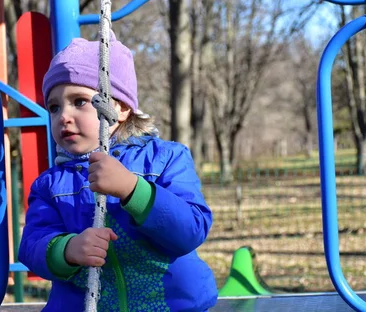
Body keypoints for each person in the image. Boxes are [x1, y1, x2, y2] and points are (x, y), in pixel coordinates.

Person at [18, 32, 218, 311]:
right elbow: (32, 245)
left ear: (120, 107)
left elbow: (191, 230)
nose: (63, 116)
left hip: (171, 305)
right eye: (54, 107)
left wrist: (132, 190)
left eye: (79, 102)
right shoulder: (51, 185)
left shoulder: (165, 159)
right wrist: (67, 249)